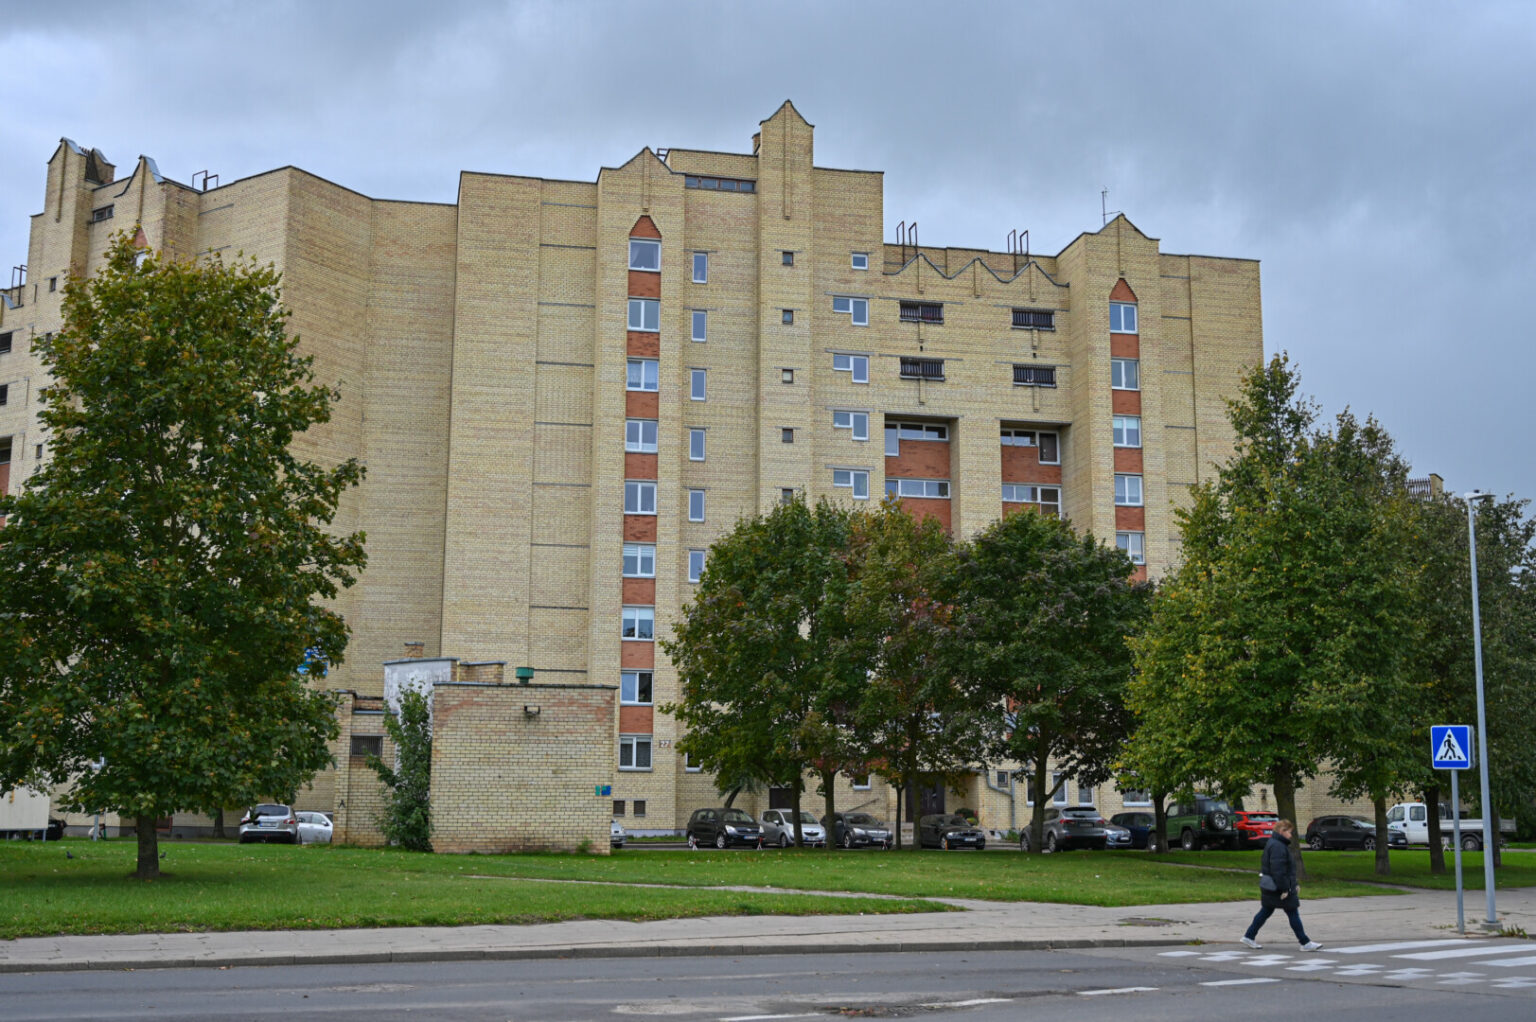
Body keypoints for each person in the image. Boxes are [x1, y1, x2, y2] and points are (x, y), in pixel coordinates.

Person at [1241, 819, 1323, 951]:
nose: (1291, 835)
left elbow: (1284, 870)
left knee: (1266, 910)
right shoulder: (1278, 846)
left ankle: (1249, 936)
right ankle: (1305, 943)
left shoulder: (1276, 844)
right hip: (1279, 888)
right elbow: (1278, 871)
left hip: (1273, 887)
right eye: (1289, 832)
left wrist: (1293, 884)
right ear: (1282, 831)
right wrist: (1285, 888)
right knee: (1292, 912)